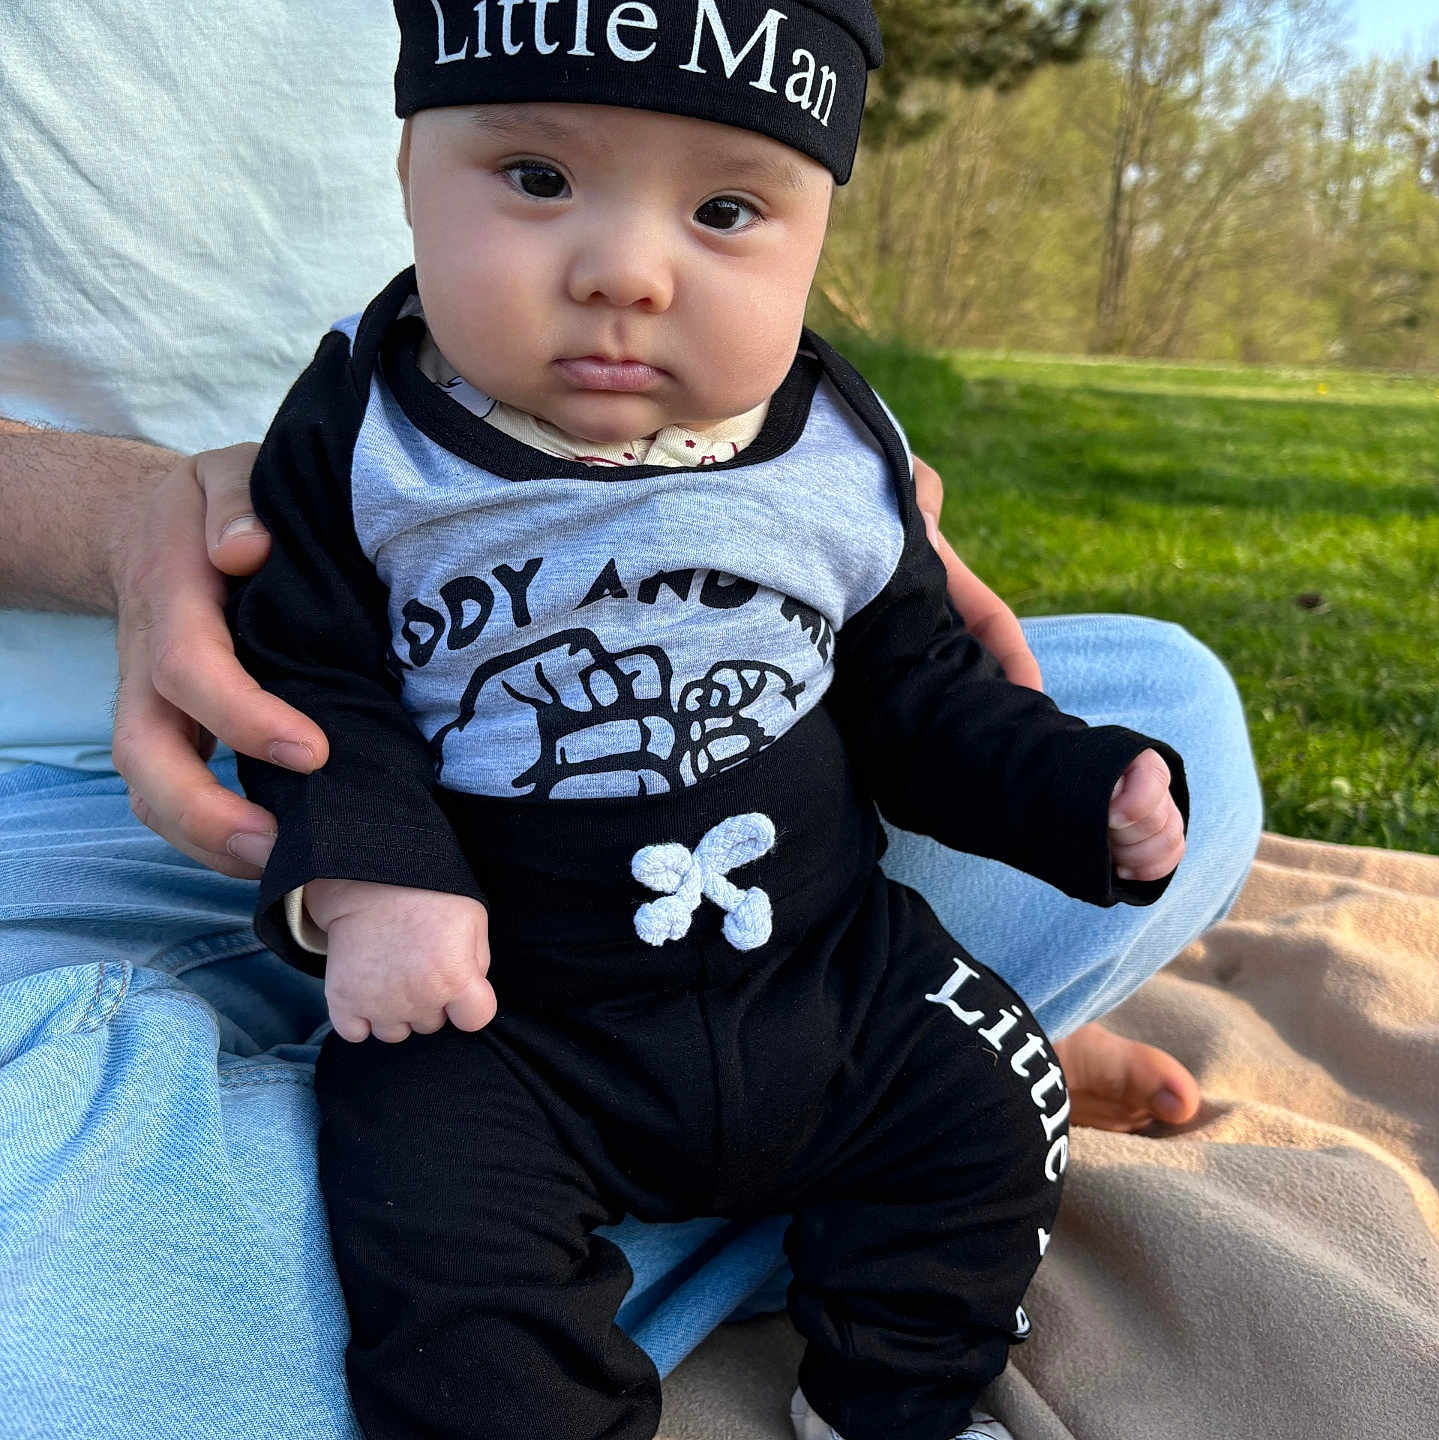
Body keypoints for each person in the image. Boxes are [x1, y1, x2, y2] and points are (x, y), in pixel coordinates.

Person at [0, 3, 1260, 1438]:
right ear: (406, 169)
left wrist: (1077, 792)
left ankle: (885, 1390)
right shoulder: (358, 442)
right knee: (408, 1236)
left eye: (726, 212)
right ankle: (722, 1220)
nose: (625, 273)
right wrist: (375, 880)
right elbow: (320, 687)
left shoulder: (833, 442)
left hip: (820, 967)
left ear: (819, 232)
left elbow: (920, 691)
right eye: (537, 180)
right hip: (493, 1008)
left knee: (1169, 728)